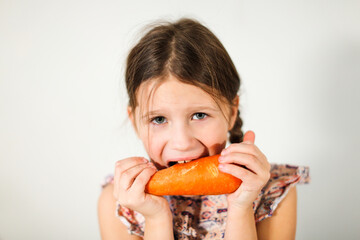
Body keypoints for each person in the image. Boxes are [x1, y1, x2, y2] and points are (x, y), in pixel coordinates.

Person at [97, 18, 310, 240]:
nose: (182, 142)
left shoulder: (272, 192)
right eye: (159, 119)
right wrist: (156, 218)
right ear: (135, 122)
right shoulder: (119, 203)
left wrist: (241, 208)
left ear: (231, 113)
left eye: (199, 115)